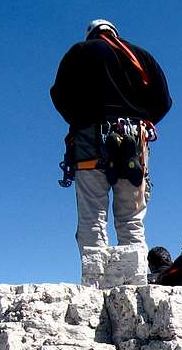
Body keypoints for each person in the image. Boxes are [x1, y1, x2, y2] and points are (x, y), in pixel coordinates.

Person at [51, 19, 172, 264]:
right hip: (134, 143)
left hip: (90, 142)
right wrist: (142, 119)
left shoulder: (80, 52)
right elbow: (164, 100)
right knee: (131, 218)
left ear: (91, 35)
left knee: (92, 215)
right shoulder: (141, 56)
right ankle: (134, 278)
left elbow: (59, 94)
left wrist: (80, 120)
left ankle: (95, 280)